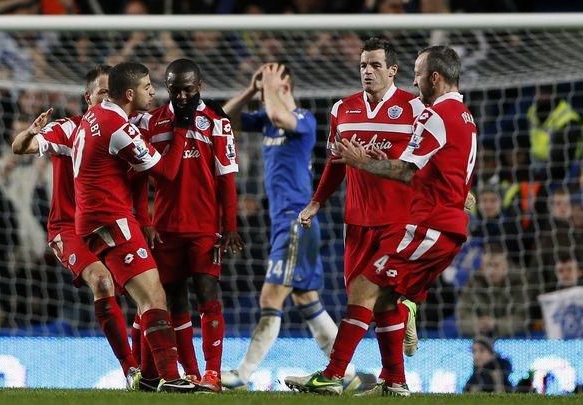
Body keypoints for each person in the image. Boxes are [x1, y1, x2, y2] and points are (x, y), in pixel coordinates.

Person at [286, 45, 476, 396]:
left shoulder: (422, 108)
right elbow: (336, 162)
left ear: (393, 70)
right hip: (358, 220)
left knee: (366, 292)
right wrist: (316, 202)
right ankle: (395, 380)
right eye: (362, 65)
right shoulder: (342, 108)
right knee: (381, 299)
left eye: (375, 64)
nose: (367, 71)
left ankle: (333, 374)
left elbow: (416, 164)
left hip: (404, 221)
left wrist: (460, 191)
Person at [220, 62, 361, 391]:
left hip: (297, 221)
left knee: (271, 296)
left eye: (276, 86)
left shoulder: (304, 121)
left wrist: (270, 87)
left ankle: (243, 374)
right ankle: (347, 374)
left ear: (287, 89)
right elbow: (224, 120)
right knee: (307, 299)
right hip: (287, 223)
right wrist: (252, 90)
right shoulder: (267, 123)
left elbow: (282, 115)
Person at [11, 65, 145, 389]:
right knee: (102, 282)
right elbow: (19, 147)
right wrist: (30, 132)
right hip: (68, 228)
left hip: (107, 223)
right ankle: (131, 371)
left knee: (147, 289)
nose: (109, 100)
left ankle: (148, 369)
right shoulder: (69, 130)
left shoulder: (124, 132)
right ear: (88, 98)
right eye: (102, 93)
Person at [71, 61, 197, 392]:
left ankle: (152, 377)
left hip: (96, 217)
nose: (153, 91)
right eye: (146, 87)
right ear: (129, 94)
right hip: (110, 218)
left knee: (148, 297)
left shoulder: (95, 116)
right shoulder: (117, 127)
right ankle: (171, 378)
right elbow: (166, 173)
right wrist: (182, 125)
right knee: (154, 295)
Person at [133, 58, 243, 393]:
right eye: (175, 89)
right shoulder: (153, 123)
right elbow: (143, 178)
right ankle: (191, 373)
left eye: (188, 89)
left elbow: (226, 179)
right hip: (166, 228)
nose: (181, 96)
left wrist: (231, 226)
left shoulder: (216, 123)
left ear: (200, 86)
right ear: (167, 87)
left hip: (205, 227)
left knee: (209, 294)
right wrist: (147, 221)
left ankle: (213, 372)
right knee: (176, 301)